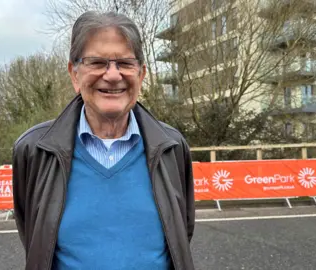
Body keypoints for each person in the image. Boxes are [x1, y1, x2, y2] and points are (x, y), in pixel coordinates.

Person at [12, 11, 195, 270]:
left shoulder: (172, 147)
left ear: (141, 74)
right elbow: (34, 238)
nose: (112, 75)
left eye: (125, 63)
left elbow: (181, 235)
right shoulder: (34, 150)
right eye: (97, 62)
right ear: (74, 74)